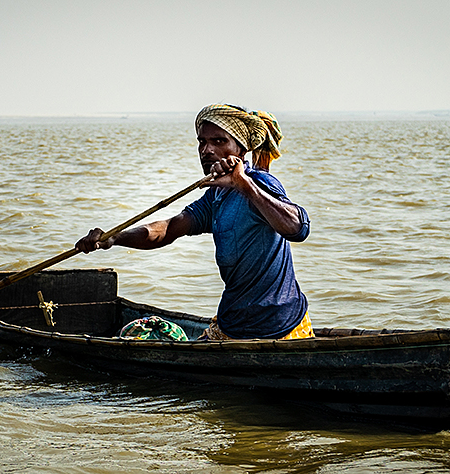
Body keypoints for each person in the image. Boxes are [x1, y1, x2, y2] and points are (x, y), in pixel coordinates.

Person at [76, 104, 312, 340]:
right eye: (202, 142)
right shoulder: (215, 196)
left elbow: (298, 228)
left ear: (240, 150)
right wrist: (113, 238)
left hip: (278, 325)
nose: (207, 150)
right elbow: (168, 229)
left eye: (219, 142)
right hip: (234, 322)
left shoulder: (258, 183)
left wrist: (243, 184)